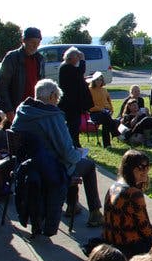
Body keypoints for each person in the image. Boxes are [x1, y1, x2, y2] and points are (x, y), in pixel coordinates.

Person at [11, 79, 103, 229]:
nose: (57, 102)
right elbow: (68, 153)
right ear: (53, 96)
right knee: (86, 165)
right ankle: (94, 213)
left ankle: (73, 205)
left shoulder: (22, 111)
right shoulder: (51, 116)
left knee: (72, 161)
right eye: (57, 98)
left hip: (26, 165)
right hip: (50, 168)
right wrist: (78, 154)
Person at [102, 150, 152, 258]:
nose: (145, 170)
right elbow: (146, 231)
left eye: (148, 166)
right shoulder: (133, 194)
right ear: (129, 169)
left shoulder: (114, 186)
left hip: (109, 242)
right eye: (141, 167)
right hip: (128, 246)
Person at [0, 27, 45, 122]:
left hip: (34, 108)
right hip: (16, 108)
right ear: (23, 41)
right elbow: (1, 85)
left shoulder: (40, 59)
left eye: (38, 43)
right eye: (32, 42)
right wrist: (8, 110)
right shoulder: (12, 58)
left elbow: (41, 84)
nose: (35, 46)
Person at [58, 47, 93, 147]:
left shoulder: (67, 67)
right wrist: (83, 60)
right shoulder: (66, 67)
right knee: (73, 124)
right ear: (72, 57)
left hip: (73, 102)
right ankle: (74, 144)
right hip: (71, 103)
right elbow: (80, 71)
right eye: (77, 57)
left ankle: (74, 143)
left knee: (74, 124)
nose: (78, 60)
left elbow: (76, 77)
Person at [87, 72, 119, 148]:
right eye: (97, 80)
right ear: (93, 80)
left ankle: (107, 145)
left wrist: (111, 110)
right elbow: (89, 106)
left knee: (106, 119)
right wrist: (101, 109)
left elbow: (109, 102)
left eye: (101, 80)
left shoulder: (104, 90)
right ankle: (116, 134)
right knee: (106, 117)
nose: (99, 81)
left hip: (106, 113)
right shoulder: (89, 90)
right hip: (94, 113)